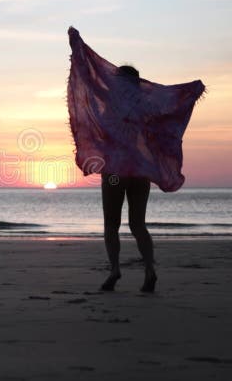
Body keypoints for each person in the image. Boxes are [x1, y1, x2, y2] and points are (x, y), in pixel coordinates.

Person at [100, 65, 157, 293]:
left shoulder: (111, 108)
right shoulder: (145, 108)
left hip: (116, 173)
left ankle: (115, 270)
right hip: (139, 172)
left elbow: (101, 134)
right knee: (138, 224)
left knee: (111, 224)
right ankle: (150, 270)